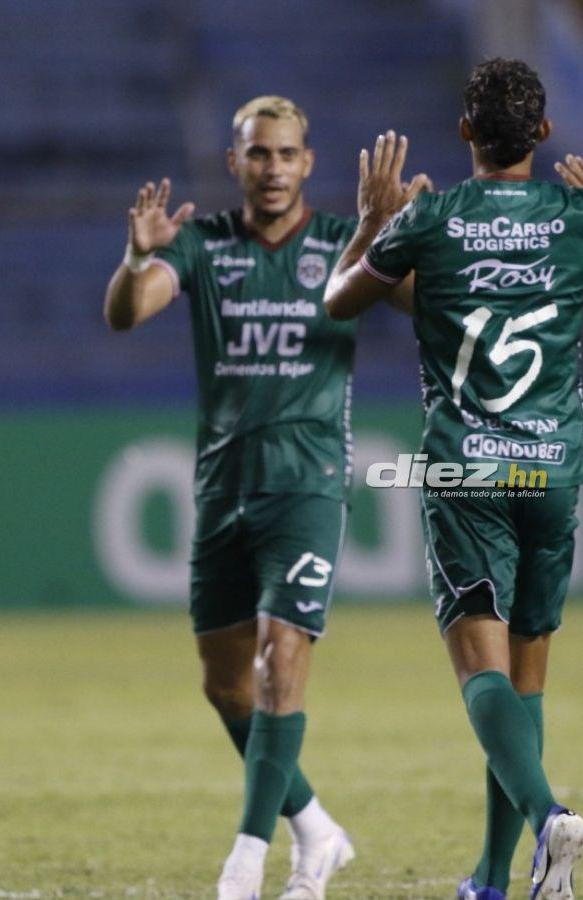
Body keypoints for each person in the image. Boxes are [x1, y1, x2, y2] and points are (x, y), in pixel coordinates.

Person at [324, 59, 583, 900]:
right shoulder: (578, 217)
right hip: (552, 468)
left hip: (467, 469)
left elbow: (341, 301)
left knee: (480, 674)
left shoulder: (433, 219)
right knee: (527, 680)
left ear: (465, 133)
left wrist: (370, 223)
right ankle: (494, 880)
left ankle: (547, 820)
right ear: (542, 134)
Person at [103, 95, 419, 900]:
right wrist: (138, 260)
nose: (273, 168)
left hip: (307, 482)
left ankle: (249, 858)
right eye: (258, 154)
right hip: (222, 487)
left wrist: (394, 238)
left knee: (283, 656)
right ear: (234, 163)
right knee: (224, 683)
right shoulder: (205, 245)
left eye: (286, 154)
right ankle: (316, 830)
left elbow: (418, 301)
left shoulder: (337, 246)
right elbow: (128, 313)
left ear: (308, 163)